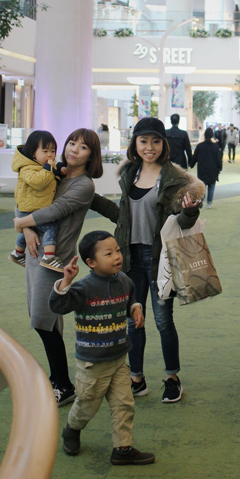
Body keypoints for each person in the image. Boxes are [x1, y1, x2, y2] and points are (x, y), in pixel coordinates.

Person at [90, 117, 202, 403]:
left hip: (159, 259)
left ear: (163, 144)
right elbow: (122, 217)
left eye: (155, 141)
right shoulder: (130, 173)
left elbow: (182, 223)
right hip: (129, 258)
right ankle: (136, 379)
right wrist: (92, 198)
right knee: (134, 321)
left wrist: (190, 211)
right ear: (135, 143)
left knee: (163, 321)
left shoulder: (174, 179)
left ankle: (172, 378)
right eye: (143, 141)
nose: (149, 147)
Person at [50, 231, 155, 466]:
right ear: (91, 262)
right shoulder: (84, 288)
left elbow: (129, 299)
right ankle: (72, 429)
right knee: (87, 405)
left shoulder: (124, 280)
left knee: (124, 404)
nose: (117, 256)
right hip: (92, 363)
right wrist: (66, 282)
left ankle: (123, 449)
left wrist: (135, 308)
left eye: (117, 250)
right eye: (108, 254)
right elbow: (58, 305)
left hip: (118, 359)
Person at [14, 128, 103, 406]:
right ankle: (58, 379)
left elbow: (55, 210)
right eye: (71, 143)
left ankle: (63, 384)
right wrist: (27, 229)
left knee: (44, 320)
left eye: (83, 147)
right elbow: (23, 197)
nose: (74, 149)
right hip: (35, 252)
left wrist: (21, 223)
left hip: (53, 260)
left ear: (92, 156)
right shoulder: (53, 172)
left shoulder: (84, 185)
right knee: (43, 318)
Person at [9, 130, 67, 270]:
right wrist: (49, 168)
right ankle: (49, 256)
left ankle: (18, 252)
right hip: (28, 210)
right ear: (33, 153)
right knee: (51, 227)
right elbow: (39, 182)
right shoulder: (27, 168)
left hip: (32, 207)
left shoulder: (41, 165)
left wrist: (60, 167)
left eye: (53, 151)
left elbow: (54, 166)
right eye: (45, 151)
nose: (50, 155)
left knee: (31, 228)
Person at [192, 127, 223, 208]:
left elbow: (194, 158)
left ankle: (200, 201)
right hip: (213, 170)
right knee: (211, 186)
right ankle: (209, 203)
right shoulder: (215, 147)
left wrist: (191, 164)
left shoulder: (200, 146)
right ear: (212, 135)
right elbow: (219, 159)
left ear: (204, 135)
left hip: (202, 169)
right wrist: (220, 168)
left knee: (202, 186)